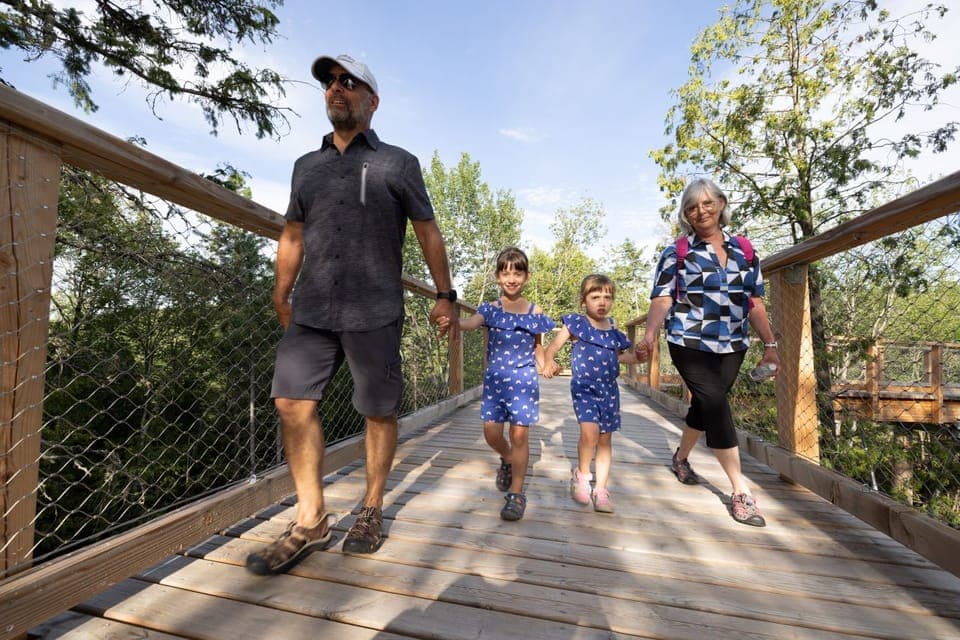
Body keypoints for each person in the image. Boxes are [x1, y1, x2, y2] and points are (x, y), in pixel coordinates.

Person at [245, 54, 456, 575]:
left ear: (372, 99)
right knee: (291, 401)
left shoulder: (398, 163)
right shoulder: (306, 167)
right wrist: (281, 289)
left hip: (376, 306)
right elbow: (293, 232)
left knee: (378, 411)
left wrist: (444, 294)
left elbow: (427, 230)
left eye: (348, 81)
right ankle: (311, 518)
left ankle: (370, 507)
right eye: (329, 83)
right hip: (312, 306)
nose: (335, 89)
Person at [640, 177, 779, 527]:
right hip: (688, 341)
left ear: (721, 204)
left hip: (732, 342)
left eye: (706, 204)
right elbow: (662, 298)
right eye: (691, 207)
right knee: (716, 403)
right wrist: (650, 333)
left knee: (705, 405)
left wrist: (771, 345)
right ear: (685, 214)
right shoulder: (677, 251)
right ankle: (740, 491)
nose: (700, 212)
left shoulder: (745, 250)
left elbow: (755, 302)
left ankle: (681, 458)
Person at [437, 247, 554, 521]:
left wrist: (545, 364)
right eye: (505, 272)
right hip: (495, 380)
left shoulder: (535, 311)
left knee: (520, 435)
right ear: (498, 276)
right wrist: (455, 321)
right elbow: (472, 322)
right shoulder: (490, 309)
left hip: (524, 380)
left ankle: (517, 493)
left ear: (527, 276)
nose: (511, 278)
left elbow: (538, 347)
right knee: (491, 434)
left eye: (517, 272)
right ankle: (508, 458)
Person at [542, 274, 644, 514]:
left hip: (609, 390)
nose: (602, 302)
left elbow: (622, 357)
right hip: (584, 386)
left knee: (605, 439)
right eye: (595, 297)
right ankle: (583, 475)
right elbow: (553, 348)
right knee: (590, 433)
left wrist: (639, 357)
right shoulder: (576, 324)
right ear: (583, 300)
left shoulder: (614, 330)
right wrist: (549, 362)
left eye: (607, 297)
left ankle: (601, 488)